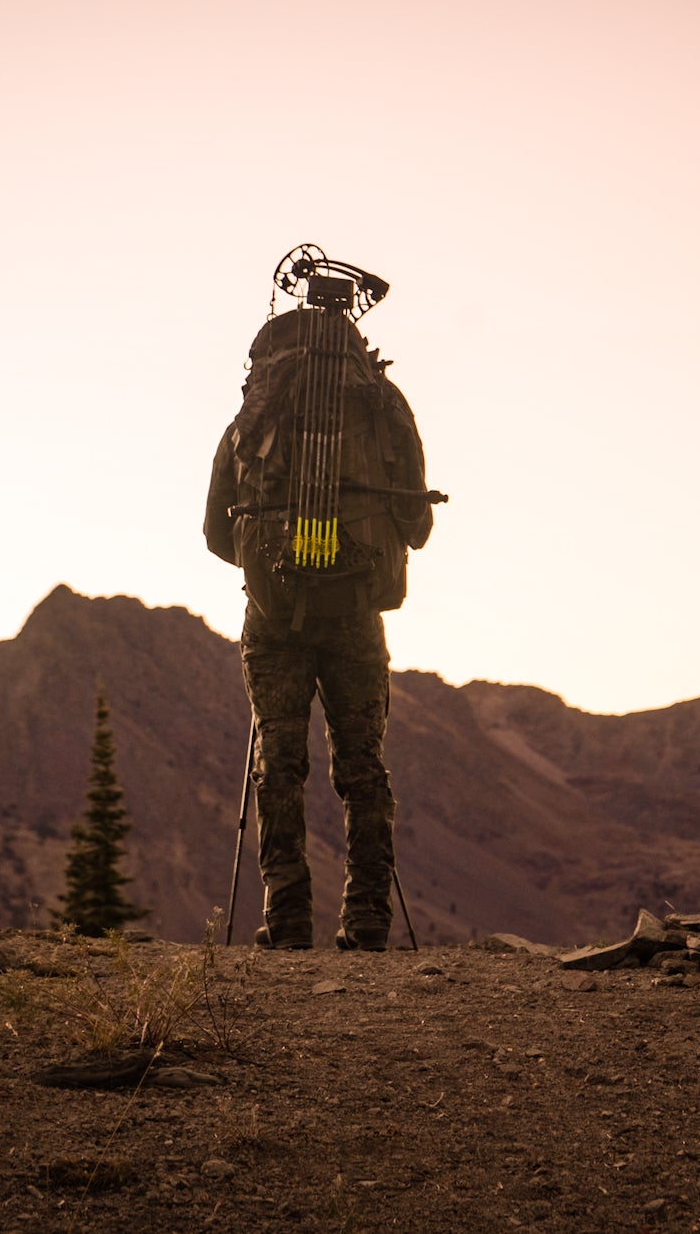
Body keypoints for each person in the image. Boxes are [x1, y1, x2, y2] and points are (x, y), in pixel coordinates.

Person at [203, 257, 435, 951]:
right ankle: (366, 920)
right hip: (356, 610)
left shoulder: (254, 408)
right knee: (363, 764)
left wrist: (280, 561)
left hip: (273, 614)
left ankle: (289, 915)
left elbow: (219, 532)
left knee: (279, 759)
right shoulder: (384, 405)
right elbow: (417, 526)